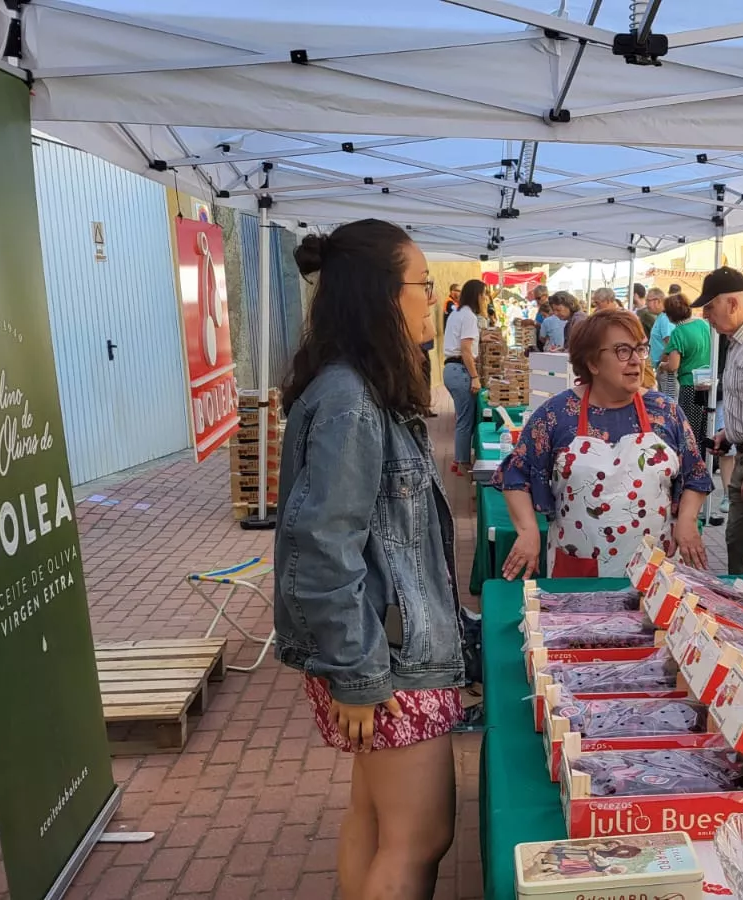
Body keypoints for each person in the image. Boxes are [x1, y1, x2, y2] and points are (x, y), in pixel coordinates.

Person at [274, 219, 464, 900]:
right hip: (383, 658)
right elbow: (323, 547)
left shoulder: (353, 388)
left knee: (378, 822)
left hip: (384, 649)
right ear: (383, 294)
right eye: (422, 284)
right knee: (419, 837)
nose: (431, 299)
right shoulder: (351, 399)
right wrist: (356, 671)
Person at [496, 309, 712, 579]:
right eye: (622, 351)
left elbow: (695, 475)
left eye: (639, 349)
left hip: (655, 574)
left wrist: (688, 520)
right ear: (593, 363)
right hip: (579, 572)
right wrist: (528, 531)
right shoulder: (556, 414)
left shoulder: (664, 412)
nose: (635, 361)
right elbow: (516, 475)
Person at [693, 267, 743, 576]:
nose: (707, 316)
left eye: (710, 307)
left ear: (733, 304)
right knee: (738, 542)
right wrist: (729, 433)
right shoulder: (738, 342)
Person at [443, 279, 485, 476]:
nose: (485, 299)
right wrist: (475, 377)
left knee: (464, 417)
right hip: (460, 370)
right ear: (477, 295)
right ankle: (462, 462)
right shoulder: (468, 316)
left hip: (451, 369)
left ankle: (459, 460)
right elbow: (466, 350)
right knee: (465, 420)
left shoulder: (457, 313)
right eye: (483, 294)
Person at [660, 291, 712, 445]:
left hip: (689, 384)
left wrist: (663, 365)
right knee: (706, 425)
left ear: (670, 316)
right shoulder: (703, 324)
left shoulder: (678, 332)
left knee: (690, 428)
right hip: (707, 381)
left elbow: (673, 366)